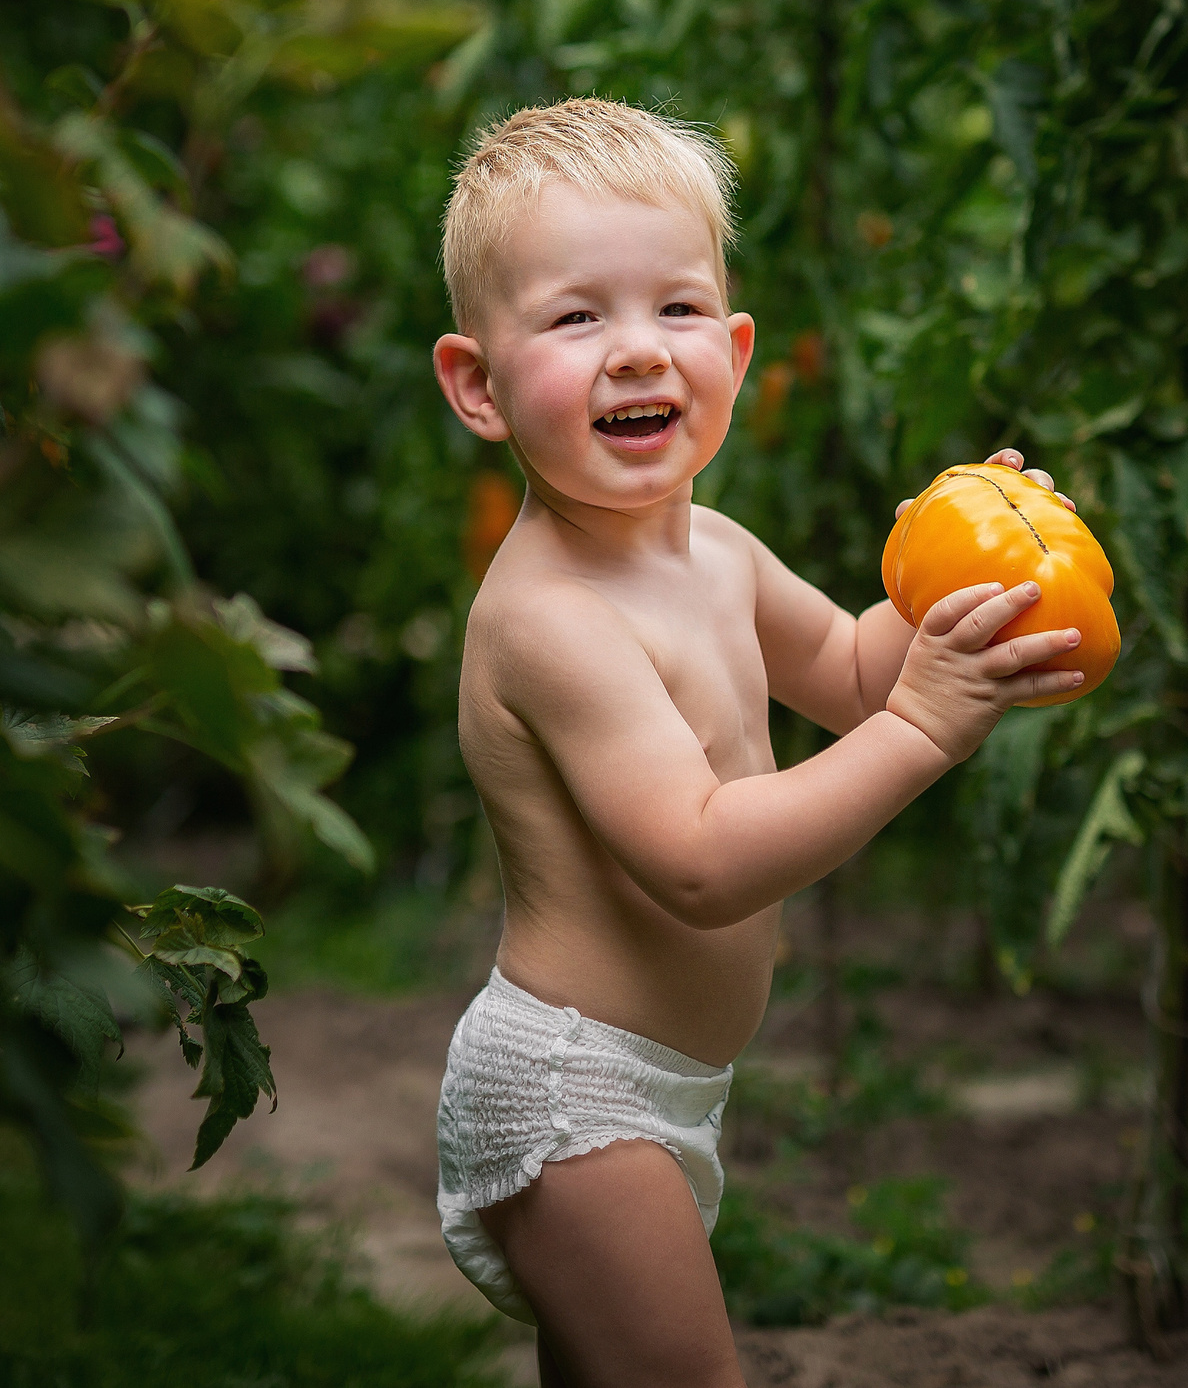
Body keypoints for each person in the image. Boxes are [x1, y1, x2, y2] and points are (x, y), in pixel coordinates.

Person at [431, 98, 1084, 1388]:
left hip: (667, 1085)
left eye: (676, 311)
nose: (637, 353)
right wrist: (923, 730)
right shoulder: (551, 619)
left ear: (733, 348)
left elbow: (848, 671)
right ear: (479, 385)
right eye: (576, 318)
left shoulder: (715, 552)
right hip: (575, 1097)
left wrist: (965, 577)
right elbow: (701, 858)